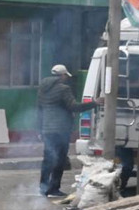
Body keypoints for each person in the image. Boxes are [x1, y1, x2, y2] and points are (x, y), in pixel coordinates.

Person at [36, 64, 96, 198]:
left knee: (48, 159)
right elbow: (74, 107)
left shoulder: (42, 88)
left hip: (47, 129)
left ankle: (43, 187)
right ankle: (54, 189)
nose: (66, 79)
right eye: (65, 76)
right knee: (60, 159)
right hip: (61, 129)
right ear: (62, 75)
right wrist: (94, 102)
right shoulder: (63, 89)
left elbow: (39, 110)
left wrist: (39, 129)